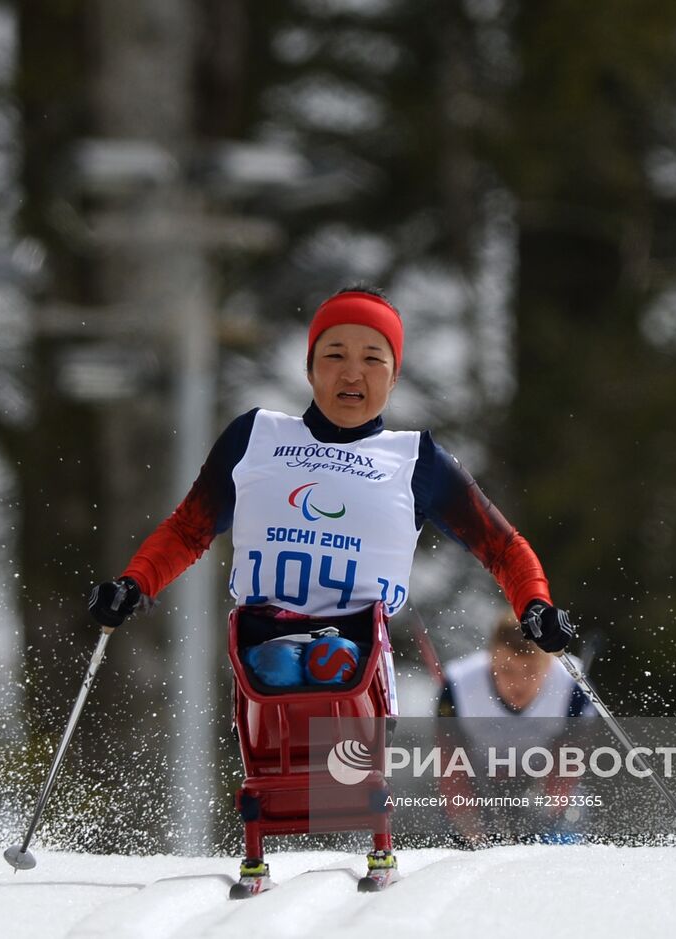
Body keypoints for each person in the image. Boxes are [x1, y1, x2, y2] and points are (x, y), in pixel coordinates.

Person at [87, 285, 576, 893]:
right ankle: (265, 838)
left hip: (357, 653)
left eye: (374, 358)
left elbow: (502, 546)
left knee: (339, 709)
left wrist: (534, 604)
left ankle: (371, 836)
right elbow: (189, 528)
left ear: (394, 376)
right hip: (264, 644)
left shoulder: (413, 459)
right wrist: (135, 583)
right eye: (335, 355)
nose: (353, 372)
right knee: (275, 718)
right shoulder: (256, 437)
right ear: (310, 366)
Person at [435, 611, 593, 847]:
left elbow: (570, 760)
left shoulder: (572, 685)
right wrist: (472, 828)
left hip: (542, 783)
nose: (516, 684)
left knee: (567, 820)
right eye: (506, 670)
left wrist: (544, 811)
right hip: (478, 782)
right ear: (491, 658)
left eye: (530, 672)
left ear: (548, 663)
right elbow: (449, 760)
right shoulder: (458, 683)